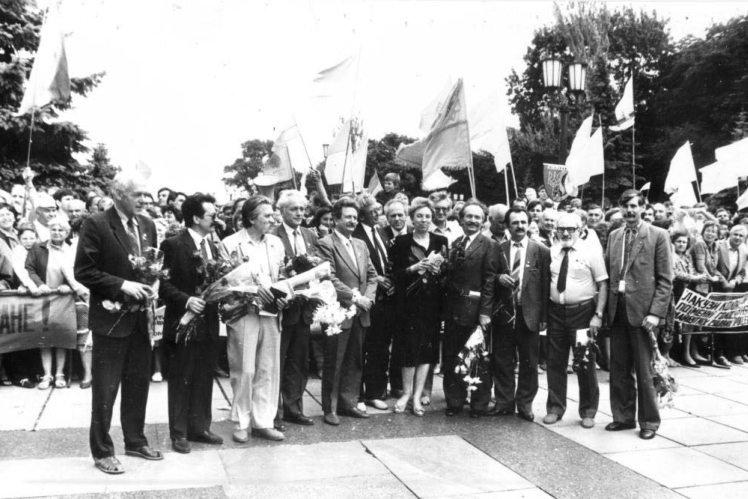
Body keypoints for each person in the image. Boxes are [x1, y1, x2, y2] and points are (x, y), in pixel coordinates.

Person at [75, 171, 162, 474]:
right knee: (105, 390)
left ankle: (135, 441)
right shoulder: (97, 223)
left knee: (138, 384)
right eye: (138, 195)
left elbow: (151, 266)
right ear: (118, 194)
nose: (144, 200)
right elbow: (83, 271)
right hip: (111, 321)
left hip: (141, 320)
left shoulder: (148, 225)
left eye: (145, 195)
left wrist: (153, 283)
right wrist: (122, 285)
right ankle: (102, 452)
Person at [604, 189, 672, 440]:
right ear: (619, 209)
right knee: (618, 368)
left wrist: (655, 313)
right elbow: (611, 276)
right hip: (617, 312)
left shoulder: (658, 235)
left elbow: (666, 281)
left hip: (644, 315)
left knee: (645, 371)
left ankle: (649, 422)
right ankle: (622, 417)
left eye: (634, 206)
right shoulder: (614, 236)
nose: (630, 211)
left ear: (642, 207)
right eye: (625, 207)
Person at [220, 196, 289, 442]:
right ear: (251, 218)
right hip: (243, 313)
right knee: (244, 368)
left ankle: (264, 421)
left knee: (267, 368)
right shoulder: (230, 243)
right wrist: (252, 291)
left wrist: (283, 297)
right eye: (267, 216)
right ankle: (241, 421)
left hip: (271, 313)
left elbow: (280, 276)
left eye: (273, 215)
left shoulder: (276, 243)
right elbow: (226, 281)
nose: (273, 219)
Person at [159, 193, 223, 454]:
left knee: (204, 375)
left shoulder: (213, 246)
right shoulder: (173, 245)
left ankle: (200, 427)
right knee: (182, 376)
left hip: (208, 323)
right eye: (212, 215)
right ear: (196, 218)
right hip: (183, 323)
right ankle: (179, 432)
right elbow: (162, 284)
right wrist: (186, 300)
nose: (216, 220)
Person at [316, 198, 378, 426]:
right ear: (336, 219)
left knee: (354, 361)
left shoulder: (361, 244)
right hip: (338, 313)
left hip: (361, 312)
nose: (352, 221)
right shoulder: (326, 244)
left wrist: (368, 299)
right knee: (334, 361)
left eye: (355, 216)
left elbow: (372, 276)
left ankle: (348, 403)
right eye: (347, 217)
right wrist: (355, 297)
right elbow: (328, 277)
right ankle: (330, 408)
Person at [543, 213, 607, 429]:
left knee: (585, 362)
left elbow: (603, 285)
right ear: (556, 231)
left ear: (581, 230)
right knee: (555, 362)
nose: (566, 233)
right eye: (562, 229)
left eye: (572, 229)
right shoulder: (551, 252)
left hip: (582, 313)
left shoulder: (591, 252)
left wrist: (597, 315)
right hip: (555, 314)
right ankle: (555, 408)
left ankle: (588, 410)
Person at [389, 198, 447, 416]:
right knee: (408, 349)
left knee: (427, 352)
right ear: (411, 219)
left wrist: (438, 270)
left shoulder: (441, 240)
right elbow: (394, 275)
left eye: (428, 217)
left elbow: (445, 272)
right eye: (419, 216)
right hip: (408, 304)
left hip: (432, 303)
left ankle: (417, 396)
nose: (424, 220)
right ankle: (406, 393)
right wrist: (414, 267)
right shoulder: (401, 242)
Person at [492, 208, 550, 422]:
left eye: (523, 222)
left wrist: (544, 317)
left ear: (529, 223)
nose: (520, 226)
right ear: (507, 225)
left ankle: (525, 404)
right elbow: (489, 276)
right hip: (504, 315)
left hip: (530, 315)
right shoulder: (498, 248)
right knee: (503, 360)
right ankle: (504, 402)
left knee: (529, 362)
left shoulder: (541, 251)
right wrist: (499, 278)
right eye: (515, 222)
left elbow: (545, 285)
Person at [443, 200, 498, 418]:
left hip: (476, 311)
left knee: (478, 357)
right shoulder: (456, 243)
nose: (473, 220)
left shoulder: (489, 245)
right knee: (453, 356)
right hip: (454, 309)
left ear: (484, 221)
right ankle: (454, 401)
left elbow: (489, 281)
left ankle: (479, 404)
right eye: (469, 216)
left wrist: (485, 313)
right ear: (461, 219)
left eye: (477, 217)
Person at [271, 190, 319, 427]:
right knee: (277, 362)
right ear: (281, 212)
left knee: (299, 362)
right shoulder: (273, 236)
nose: (300, 213)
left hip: (304, 308)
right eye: (293, 209)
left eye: (302, 209)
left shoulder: (310, 235)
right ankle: (274, 412)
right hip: (282, 308)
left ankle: (294, 408)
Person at [27, 217, 90, 390]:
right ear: (49, 231)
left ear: (66, 232)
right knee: (45, 337)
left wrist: (68, 286)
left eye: (60, 230)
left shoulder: (71, 250)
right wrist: (40, 285)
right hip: (43, 297)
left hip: (64, 298)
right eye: (53, 229)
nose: (57, 232)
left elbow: (77, 273)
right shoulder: (38, 247)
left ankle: (60, 374)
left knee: (61, 336)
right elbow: (30, 269)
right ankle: (47, 375)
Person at [353, 194, 398, 412]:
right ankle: (358, 394)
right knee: (362, 348)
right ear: (362, 214)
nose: (378, 214)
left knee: (380, 348)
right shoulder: (355, 233)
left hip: (385, 300)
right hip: (367, 297)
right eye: (373, 211)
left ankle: (375, 392)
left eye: (379, 209)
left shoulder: (380, 231)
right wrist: (376, 279)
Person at [712, 225, 748, 367]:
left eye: (741, 236)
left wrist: (734, 281)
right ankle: (718, 353)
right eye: (735, 234)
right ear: (729, 234)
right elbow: (712, 266)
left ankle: (728, 352)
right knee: (718, 322)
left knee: (729, 321)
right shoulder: (719, 246)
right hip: (717, 288)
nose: (738, 238)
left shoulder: (743, 251)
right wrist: (724, 281)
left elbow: (742, 272)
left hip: (731, 290)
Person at [671, 230, 708, 367]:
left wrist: (695, 276)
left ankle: (688, 352)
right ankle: (675, 353)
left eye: (684, 242)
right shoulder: (671, 256)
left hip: (687, 290)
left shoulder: (687, 257)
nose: (681, 244)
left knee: (688, 322)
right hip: (675, 289)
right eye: (678, 242)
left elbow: (691, 270)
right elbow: (676, 273)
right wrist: (695, 277)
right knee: (674, 323)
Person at [689, 221, 722, 364]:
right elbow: (701, 267)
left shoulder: (714, 246)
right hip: (696, 286)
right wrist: (713, 278)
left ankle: (699, 352)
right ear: (703, 231)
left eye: (714, 231)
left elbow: (714, 267)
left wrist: (717, 277)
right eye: (708, 230)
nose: (711, 233)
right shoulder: (700, 244)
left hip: (707, 287)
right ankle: (692, 353)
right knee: (693, 320)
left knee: (701, 321)